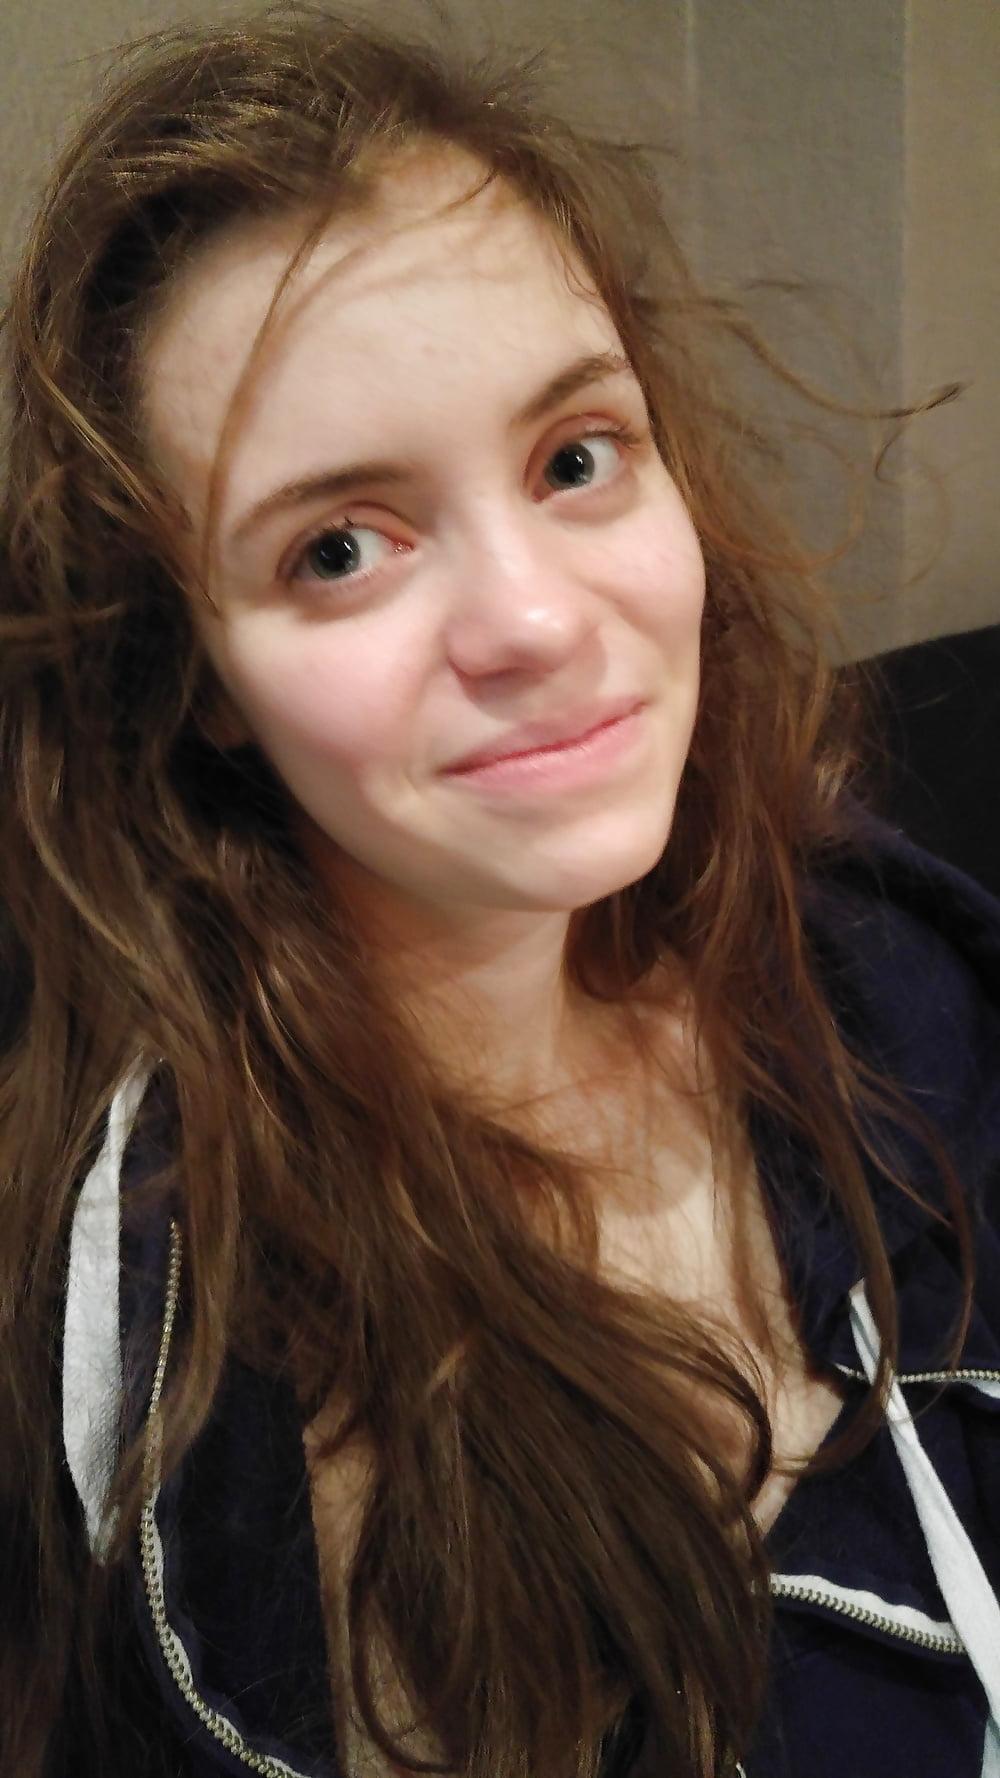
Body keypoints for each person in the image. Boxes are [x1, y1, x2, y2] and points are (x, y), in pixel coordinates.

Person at [1, 11, 998, 1778]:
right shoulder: (206, 1377)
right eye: (338, 548)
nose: (535, 621)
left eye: (575, 456)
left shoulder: (885, 975)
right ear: (199, 676)